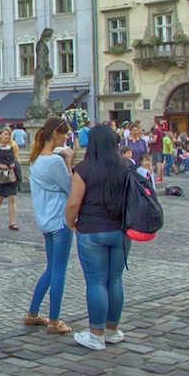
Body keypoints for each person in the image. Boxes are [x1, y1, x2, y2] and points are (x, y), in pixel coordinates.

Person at [64, 124, 130, 351]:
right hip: (121, 230)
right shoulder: (126, 166)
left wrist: (70, 222)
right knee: (115, 280)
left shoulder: (84, 169)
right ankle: (113, 330)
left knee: (95, 281)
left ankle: (96, 334)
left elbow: (74, 203)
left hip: (92, 230)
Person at [24, 117, 73, 335]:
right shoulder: (55, 162)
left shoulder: (35, 159)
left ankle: (33, 313)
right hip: (60, 220)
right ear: (56, 135)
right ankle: (54, 320)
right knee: (59, 270)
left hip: (45, 220)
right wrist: (68, 161)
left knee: (51, 267)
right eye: (65, 134)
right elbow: (70, 187)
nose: (66, 138)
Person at [0, 127, 21, 230]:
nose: (7, 136)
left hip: (11, 174)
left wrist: (14, 165)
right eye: (5, 134)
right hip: (0, 174)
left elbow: (17, 160)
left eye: (9, 134)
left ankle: (12, 222)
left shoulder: (13, 146)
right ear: (0, 135)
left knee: (12, 197)